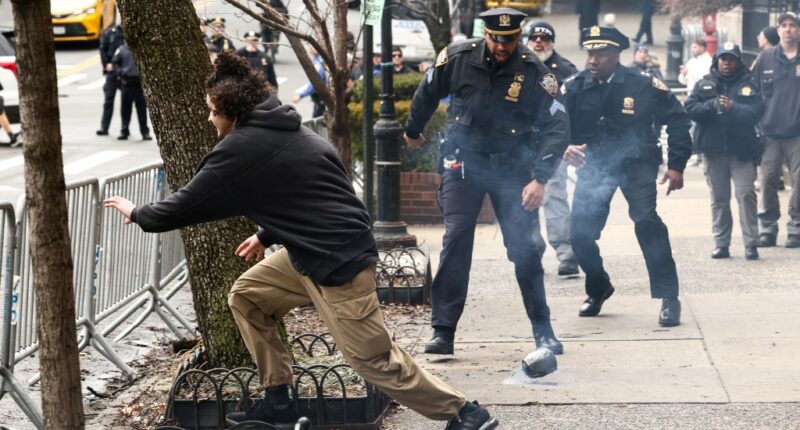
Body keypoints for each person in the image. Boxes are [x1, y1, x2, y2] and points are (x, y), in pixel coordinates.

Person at [104, 51, 498, 430]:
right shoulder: (287, 130)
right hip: (309, 254)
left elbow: (188, 204)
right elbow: (305, 194)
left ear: (233, 111)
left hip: (339, 263)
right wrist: (266, 233)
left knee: (372, 361)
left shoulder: (242, 149)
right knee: (248, 295)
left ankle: (464, 413)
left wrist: (139, 213)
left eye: (212, 110)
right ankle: (278, 401)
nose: (209, 119)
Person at [404, 8, 569, 357]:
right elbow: (428, 89)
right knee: (457, 236)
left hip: (513, 169)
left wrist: (540, 179)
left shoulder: (534, 70)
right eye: (496, 39)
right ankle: (443, 330)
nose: (502, 47)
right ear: (486, 35)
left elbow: (557, 126)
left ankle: (543, 331)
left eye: (509, 41)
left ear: (518, 37)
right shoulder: (459, 57)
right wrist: (412, 129)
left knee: (525, 248)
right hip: (464, 163)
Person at [562, 26, 692, 327]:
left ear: (616, 55)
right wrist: (563, 147)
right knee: (579, 234)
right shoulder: (575, 86)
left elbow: (678, 120)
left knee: (647, 222)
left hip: (637, 163)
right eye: (590, 53)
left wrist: (677, 165)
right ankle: (598, 287)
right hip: (595, 165)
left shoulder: (642, 83)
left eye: (601, 54)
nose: (593, 60)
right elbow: (552, 123)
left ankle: (668, 297)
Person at [684, 43, 765, 261]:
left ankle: (751, 244)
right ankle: (721, 244)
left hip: (742, 152)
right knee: (719, 199)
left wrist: (734, 107)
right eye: (723, 59)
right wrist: (712, 105)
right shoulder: (704, 84)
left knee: (746, 195)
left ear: (738, 62)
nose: (727, 63)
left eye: (731, 59)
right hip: (714, 151)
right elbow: (690, 108)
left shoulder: (749, 84)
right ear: (716, 61)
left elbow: (757, 111)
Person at [526, 21, 580, 278]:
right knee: (524, 200)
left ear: (552, 42)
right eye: (534, 37)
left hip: (552, 142)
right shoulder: (517, 66)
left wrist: (568, 142)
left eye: (544, 38)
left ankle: (566, 252)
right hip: (521, 144)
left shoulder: (566, 70)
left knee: (554, 196)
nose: (539, 42)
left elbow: (573, 112)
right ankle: (532, 250)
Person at [751, 12, 800, 248]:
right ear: (778, 30)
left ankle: (796, 229)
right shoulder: (765, 58)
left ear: (798, 30)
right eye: (784, 26)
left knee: (799, 182)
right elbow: (752, 92)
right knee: (768, 180)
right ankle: (768, 229)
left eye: (793, 26)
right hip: (770, 133)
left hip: (798, 134)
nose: (788, 29)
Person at [112, 37, 151, 141]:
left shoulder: (141, 49)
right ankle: (124, 130)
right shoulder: (121, 49)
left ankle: (145, 132)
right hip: (126, 83)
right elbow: (115, 63)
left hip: (139, 84)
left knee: (142, 109)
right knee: (125, 109)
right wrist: (121, 72)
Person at [97, 24, 124, 136]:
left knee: (127, 102)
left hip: (126, 71)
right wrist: (106, 64)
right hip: (112, 71)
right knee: (108, 100)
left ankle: (125, 130)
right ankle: (104, 127)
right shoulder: (111, 32)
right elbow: (103, 49)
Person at [292, 44, 327, 118]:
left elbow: (315, 82)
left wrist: (301, 95)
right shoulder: (318, 60)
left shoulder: (319, 62)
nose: (311, 49)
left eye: (313, 47)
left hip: (322, 98)